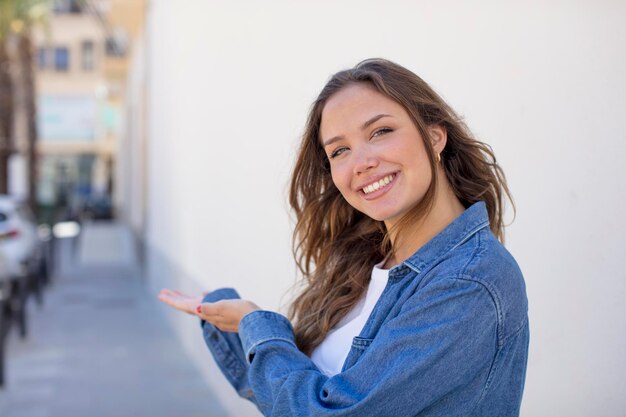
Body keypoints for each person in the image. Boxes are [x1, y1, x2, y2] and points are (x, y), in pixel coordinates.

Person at [158, 58, 529, 417]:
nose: (361, 162)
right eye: (339, 150)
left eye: (380, 132)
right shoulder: (365, 268)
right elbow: (292, 399)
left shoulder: (472, 280)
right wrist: (237, 324)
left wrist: (258, 326)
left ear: (434, 136)